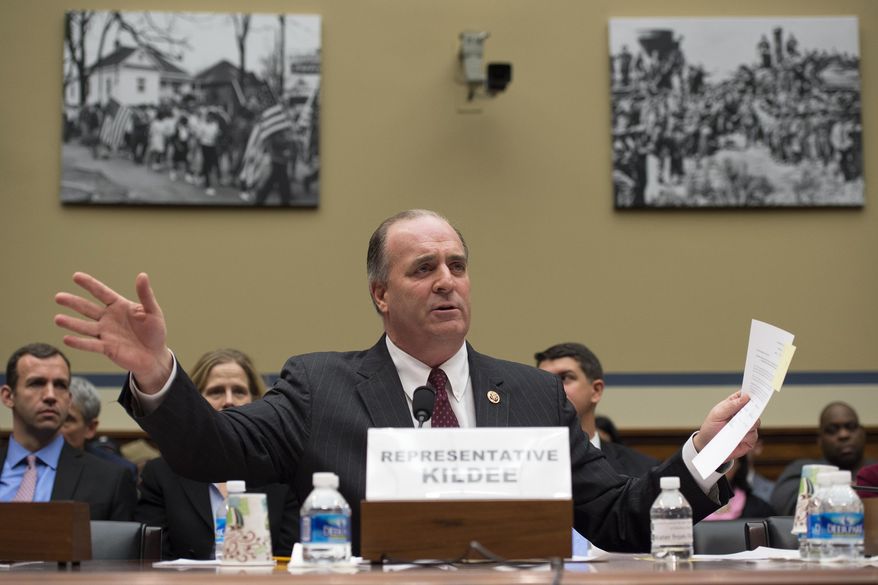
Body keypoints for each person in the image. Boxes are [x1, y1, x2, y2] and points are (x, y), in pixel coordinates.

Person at [54, 209, 759, 554]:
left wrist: (699, 454)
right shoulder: (320, 385)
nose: (446, 280)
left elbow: (617, 518)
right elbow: (211, 447)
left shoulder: (532, 394)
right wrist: (156, 372)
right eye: (424, 268)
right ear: (380, 293)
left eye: (457, 264)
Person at [136, 348, 299, 560]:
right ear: (195, 401)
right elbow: (153, 559)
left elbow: (289, 559)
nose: (229, 401)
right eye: (216, 391)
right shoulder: (160, 474)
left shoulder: (282, 475)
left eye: (239, 391)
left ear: (256, 401)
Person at [0, 343, 136, 520]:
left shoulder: (109, 480)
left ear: (69, 399)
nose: (50, 395)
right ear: (8, 396)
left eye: (60, 385)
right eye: (36, 383)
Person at [535, 342, 658, 477]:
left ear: (596, 390)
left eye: (564, 378)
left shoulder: (644, 470)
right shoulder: (519, 466)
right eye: (544, 380)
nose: (553, 388)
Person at [771, 401, 874, 515]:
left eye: (851, 427)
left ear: (863, 433)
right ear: (820, 440)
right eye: (832, 430)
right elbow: (786, 508)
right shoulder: (801, 470)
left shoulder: (875, 471)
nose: (843, 435)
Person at [61, 375, 138, 481]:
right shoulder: (32, 462)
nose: (54, 427)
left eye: (67, 420)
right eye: (50, 418)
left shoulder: (116, 474)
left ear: (90, 428)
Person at [702, 456, 775, 520]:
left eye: (726, 460)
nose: (717, 467)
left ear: (739, 465)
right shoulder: (691, 504)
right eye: (712, 460)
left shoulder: (759, 509)